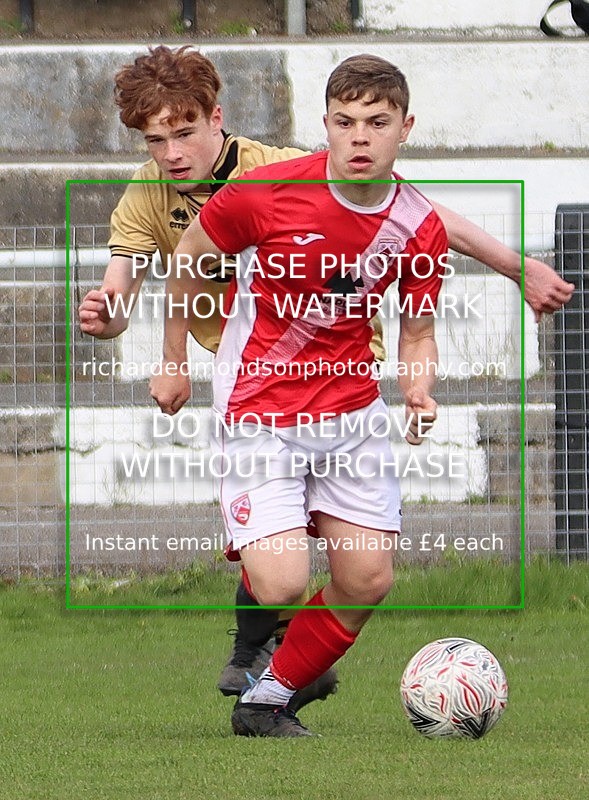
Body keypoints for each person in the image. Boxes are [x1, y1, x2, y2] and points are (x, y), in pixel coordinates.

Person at [78, 46, 574, 707]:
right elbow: (128, 287)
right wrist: (118, 325)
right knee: (280, 575)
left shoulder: (273, 169)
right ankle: (267, 639)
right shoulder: (146, 197)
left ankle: (279, 666)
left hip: (346, 376)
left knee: (362, 573)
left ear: (216, 118)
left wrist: (516, 268)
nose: (171, 153)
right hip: (253, 381)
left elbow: (415, 215)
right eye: (155, 140)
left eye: (184, 132)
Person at [149, 54, 468, 737]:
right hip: (260, 407)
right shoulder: (265, 194)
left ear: (405, 127)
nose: (360, 137)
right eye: (345, 122)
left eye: (377, 122)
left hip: (352, 414)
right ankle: (284, 648)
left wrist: (418, 387)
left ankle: (267, 700)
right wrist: (172, 361)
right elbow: (188, 263)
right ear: (325, 124)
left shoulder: (419, 225)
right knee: (281, 583)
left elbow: (417, 332)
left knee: (367, 580)